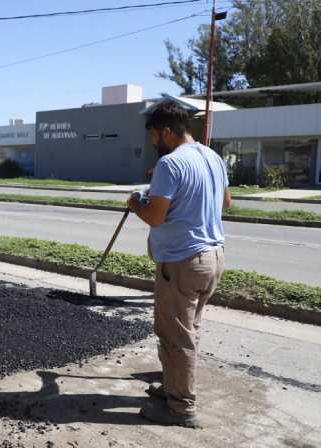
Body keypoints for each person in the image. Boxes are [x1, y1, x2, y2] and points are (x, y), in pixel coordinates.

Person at [128, 101, 231, 428]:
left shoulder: (170, 165)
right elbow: (225, 202)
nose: (152, 142)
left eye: (154, 135)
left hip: (182, 262)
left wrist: (135, 205)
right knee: (188, 330)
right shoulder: (211, 156)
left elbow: (155, 217)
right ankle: (173, 388)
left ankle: (181, 409)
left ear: (167, 132)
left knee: (176, 337)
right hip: (212, 257)